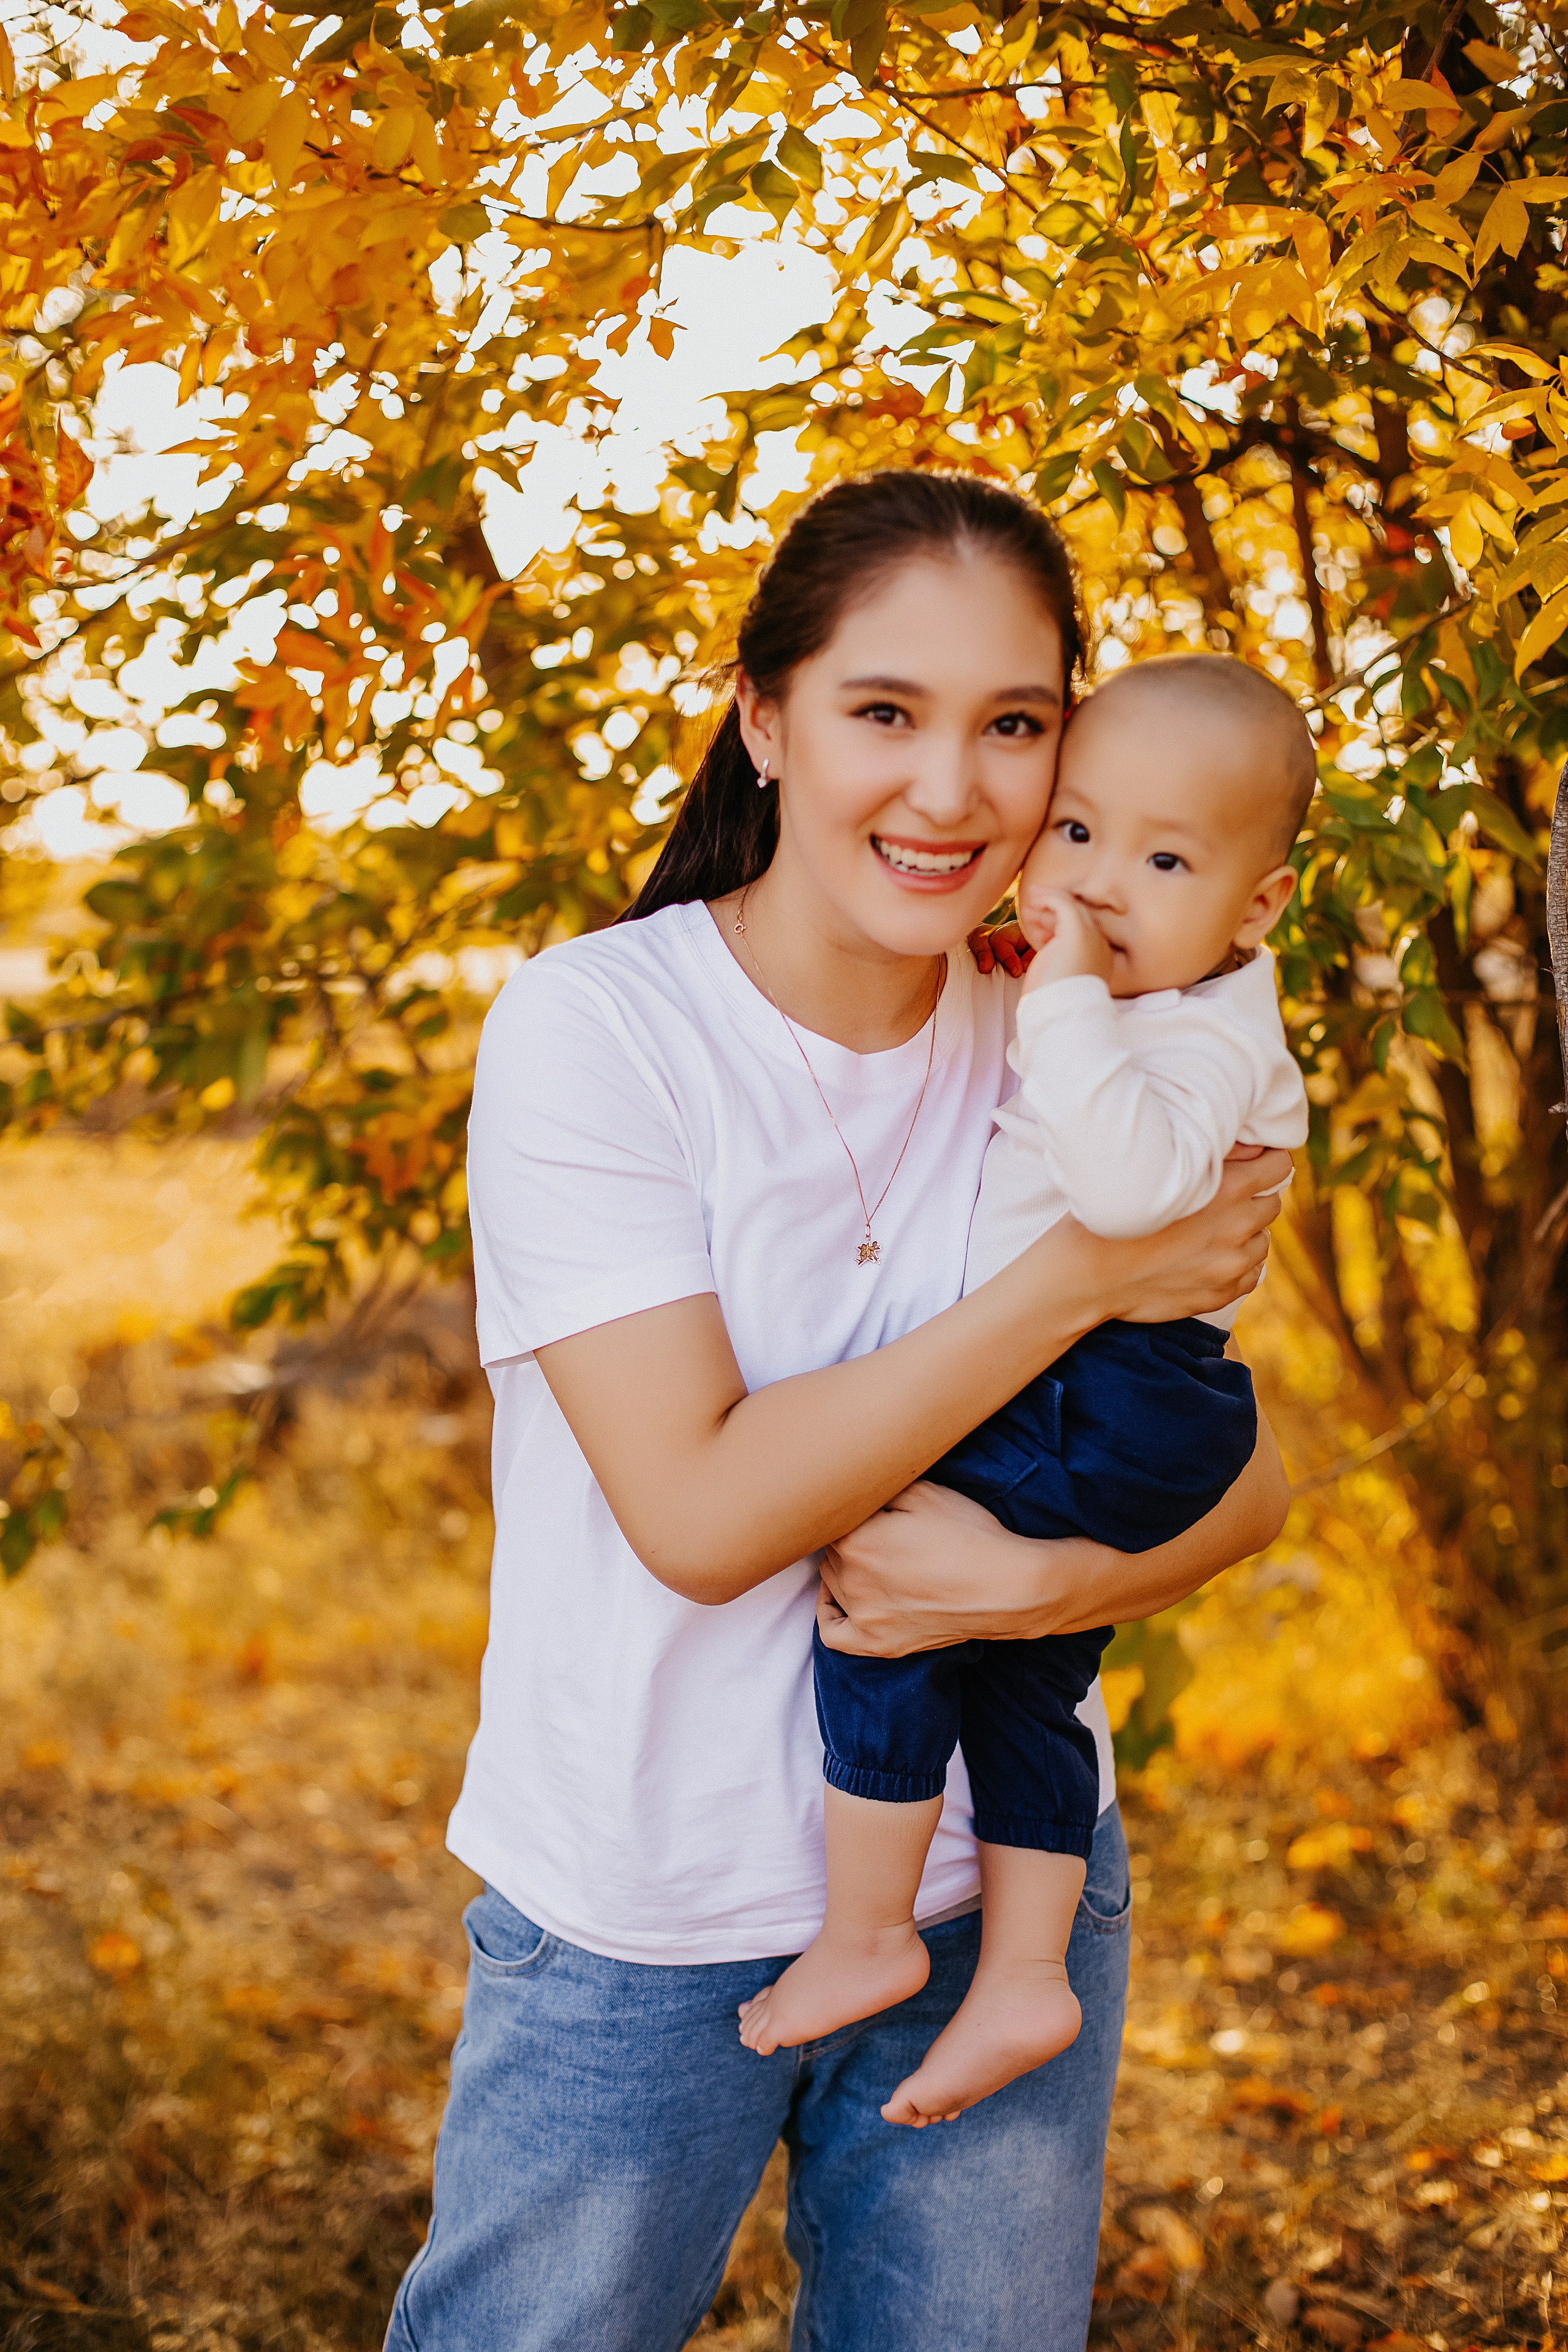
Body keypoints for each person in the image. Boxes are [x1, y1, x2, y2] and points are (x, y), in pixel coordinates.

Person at [385, 470, 1293, 2352]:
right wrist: (1082, 1277)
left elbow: (1248, 1475)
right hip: (650, 1918)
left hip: (999, 1894)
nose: (951, 790)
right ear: (765, 716)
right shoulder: (601, 1031)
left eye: (1014, 726)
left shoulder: (1073, 1022)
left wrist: (1035, 1592)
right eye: (886, 710)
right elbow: (706, 1521)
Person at [738, 654, 1312, 2130]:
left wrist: (1058, 995)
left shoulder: (1199, 1033)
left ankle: (868, 1930)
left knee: (884, 1589)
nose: (1100, 883)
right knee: (1022, 1671)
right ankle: (1023, 1976)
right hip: (1109, 1387)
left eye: (1164, 861)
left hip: (1111, 1386)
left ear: (1254, 908)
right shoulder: (1155, 1005)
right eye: (1074, 831)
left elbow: (1123, 1194)